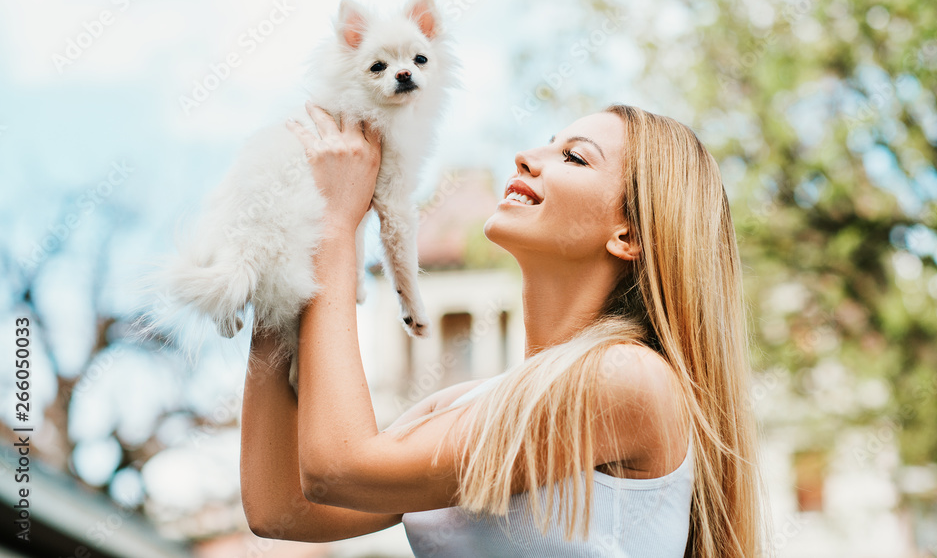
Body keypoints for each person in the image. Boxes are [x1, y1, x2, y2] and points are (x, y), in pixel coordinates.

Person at [240, 102, 768, 557]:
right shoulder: (467, 404)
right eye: (546, 143)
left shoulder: (627, 378)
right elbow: (284, 508)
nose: (527, 158)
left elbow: (341, 469)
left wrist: (335, 223)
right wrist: (279, 275)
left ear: (628, 234)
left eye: (574, 157)